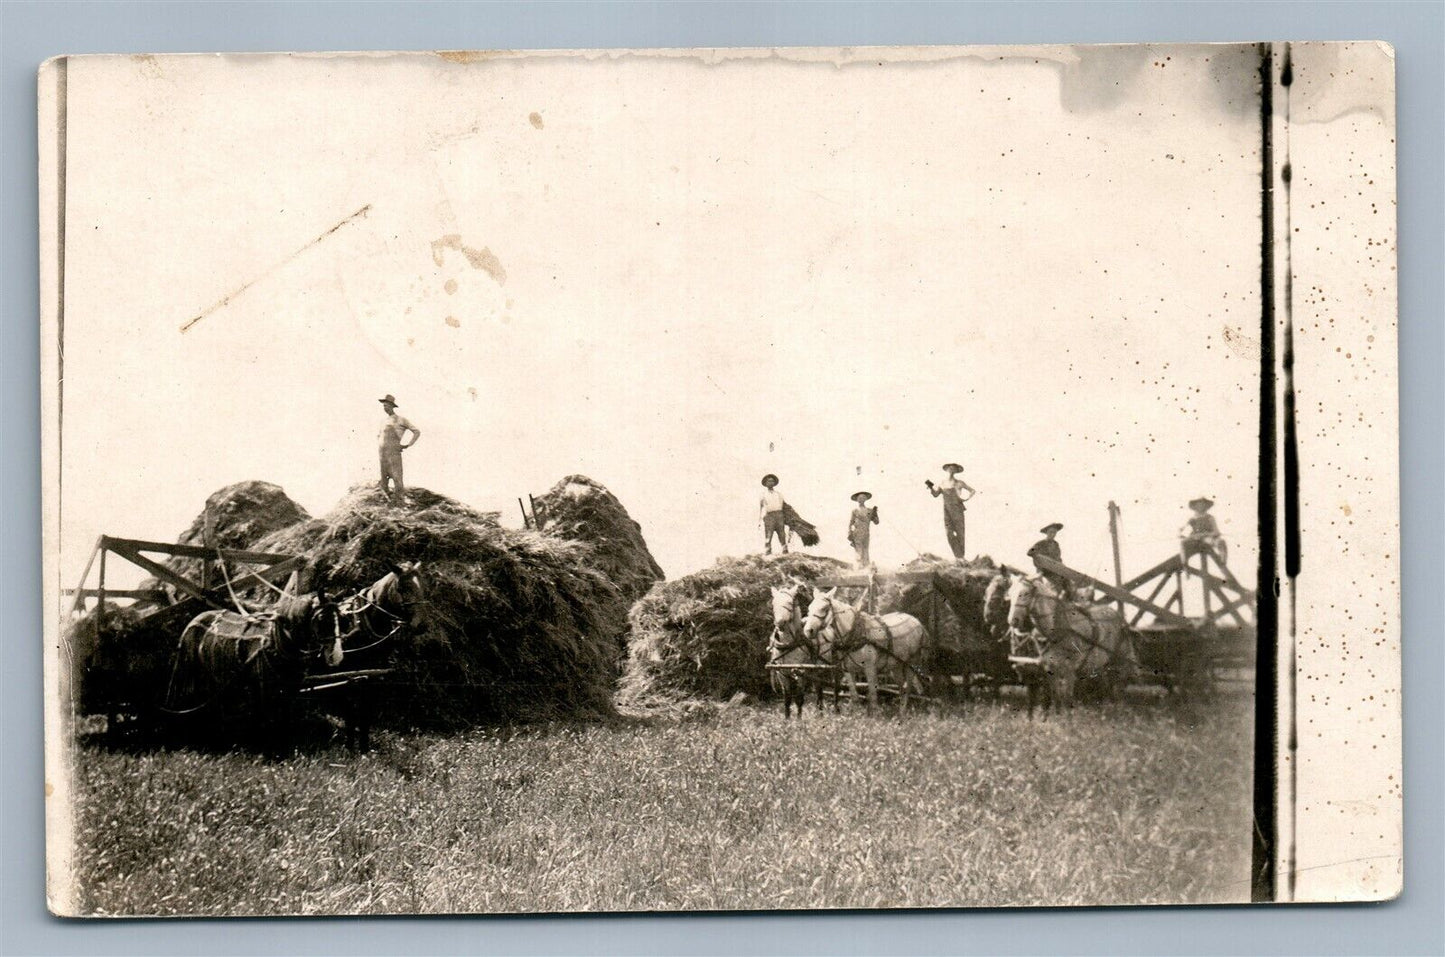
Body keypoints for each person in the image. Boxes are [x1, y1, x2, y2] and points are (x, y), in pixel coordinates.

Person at [926, 463, 975, 559]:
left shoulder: (959, 483)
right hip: (947, 510)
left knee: (960, 533)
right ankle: (958, 556)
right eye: (950, 468)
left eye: (954, 468)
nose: (952, 470)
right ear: (947, 469)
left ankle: (961, 558)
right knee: (949, 533)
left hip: (957, 509)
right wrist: (931, 488)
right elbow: (936, 494)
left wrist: (966, 498)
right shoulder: (942, 483)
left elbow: (972, 490)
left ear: (956, 471)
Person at [377, 394, 420, 500]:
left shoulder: (401, 420)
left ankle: (399, 503)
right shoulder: (383, 421)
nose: (384, 408)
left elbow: (416, 431)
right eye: (383, 406)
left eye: (386, 405)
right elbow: (379, 436)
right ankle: (386, 503)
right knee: (384, 479)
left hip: (393, 453)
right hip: (383, 453)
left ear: (392, 406)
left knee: (397, 478)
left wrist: (408, 444)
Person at [1180, 497, 1228, 566]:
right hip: (1195, 539)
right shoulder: (1192, 519)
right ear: (1195, 507)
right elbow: (1183, 531)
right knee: (1183, 543)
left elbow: (1216, 532)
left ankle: (1223, 562)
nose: (1201, 506)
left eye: (1203, 504)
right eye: (1198, 504)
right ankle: (1184, 564)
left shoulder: (1210, 517)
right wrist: (1182, 533)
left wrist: (1205, 534)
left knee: (1220, 542)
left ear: (1206, 507)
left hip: (1207, 538)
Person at [1027, 522, 1070, 597]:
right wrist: (1041, 559)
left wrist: (1061, 565)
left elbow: (1058, 558)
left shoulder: (1056, 544)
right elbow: (1030, 552)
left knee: (1067, 580)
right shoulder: (1040, 543)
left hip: (1055, 569)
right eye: (1051, 532)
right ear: (1047, 533)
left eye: (1054, 532)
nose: (1052, 534)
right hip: (1044, 570)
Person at [847, 492, 879, 568]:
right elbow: (851, 522)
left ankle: (867, 566)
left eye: (863, 497)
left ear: (865, 499)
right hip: (857, 532)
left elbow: (876, 522)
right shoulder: (855, 511)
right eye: (859, 498)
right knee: (858, 550)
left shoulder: (869, 510)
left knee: (866, 549)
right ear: (857, 500)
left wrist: (875, 514)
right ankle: (859, 566)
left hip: (866, 533)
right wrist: (849, 532)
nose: (861, 499)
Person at [759, 474, 788, 555]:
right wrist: (761, 520)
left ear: (774, 483)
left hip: (779, 515)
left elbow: (783, 505)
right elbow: (761, 508)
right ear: (765, 483)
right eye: (768, 481)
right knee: (768, 534)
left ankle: (785, 550)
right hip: (769, 516)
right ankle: (768, 552)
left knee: (782, 534)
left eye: (772, 481)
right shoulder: (763, 495)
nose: (770, 483)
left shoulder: (779, 494)